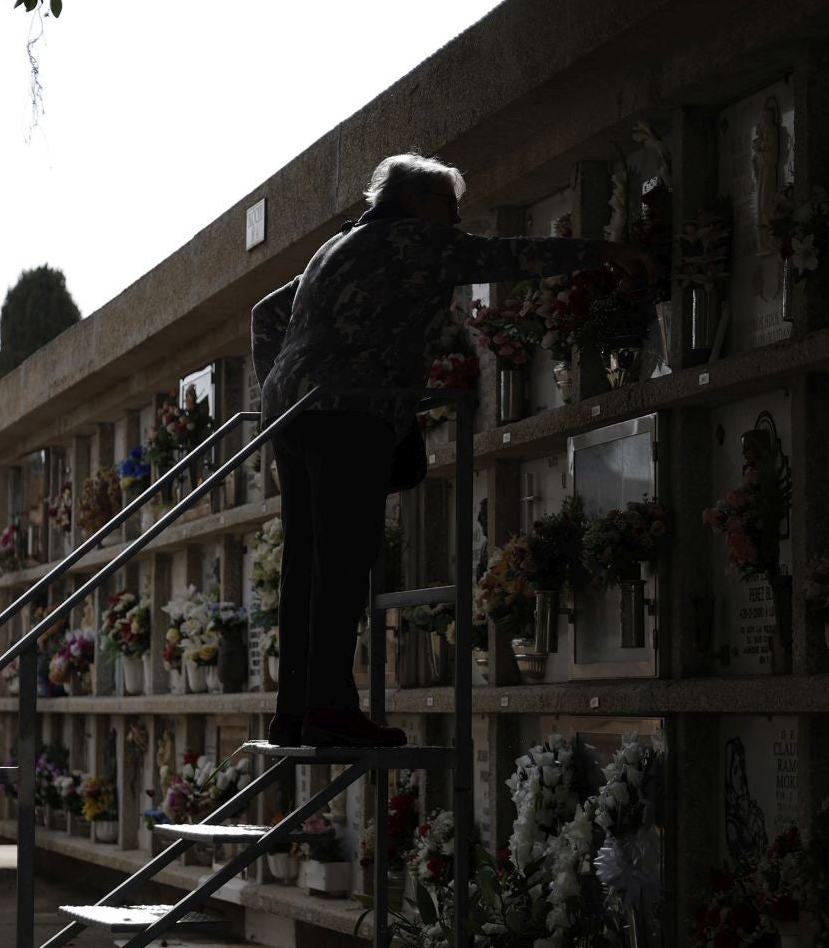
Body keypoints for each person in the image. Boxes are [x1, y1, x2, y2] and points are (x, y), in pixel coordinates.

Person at [252, 153, 650, 748]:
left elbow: (266, 312)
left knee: (306, 563)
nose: (456, 219)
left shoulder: (340, 245)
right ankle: (331, 711)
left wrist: (280, 385)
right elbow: (505, 256)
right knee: (342, 561)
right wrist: (605, 253)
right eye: (448, 206)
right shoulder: (415, 240)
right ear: (414, 201)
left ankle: (293, 713)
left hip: (293, 413)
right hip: (349, 411)